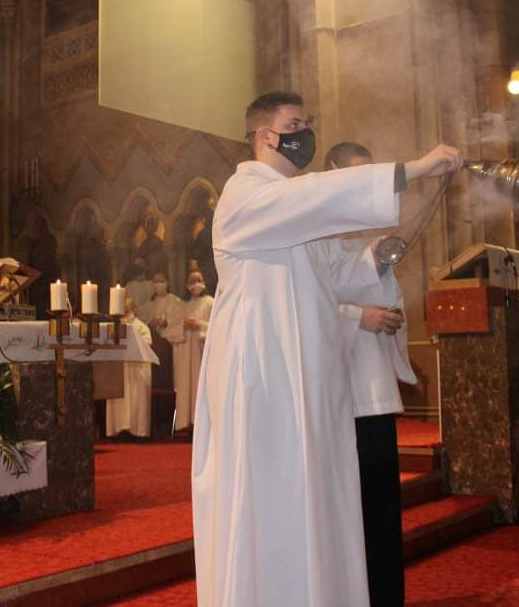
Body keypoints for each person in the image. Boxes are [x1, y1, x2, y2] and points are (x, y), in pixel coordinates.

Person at [191, 91, 461, 606]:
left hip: (312, 374)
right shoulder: (244, 194)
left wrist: (380, 254)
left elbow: (340, 274)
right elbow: (316, 197)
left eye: (307, 122)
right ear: (264, 135)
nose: (305, 133)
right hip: (263, 377)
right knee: (270, 493)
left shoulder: (301, 210)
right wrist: (414, 169)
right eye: (295, 124)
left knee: (317, 493)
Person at [326, 142, 419, 606]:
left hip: (374, 389)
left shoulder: (368, 233)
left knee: (380, 509)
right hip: (335, 394)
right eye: (357, 175)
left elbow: (384, 294)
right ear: (333, 174)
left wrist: (390, 311)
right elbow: (301, 306)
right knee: (347, 508)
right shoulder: (316, 231)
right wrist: (357, 317)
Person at [105, 297, 153, 439]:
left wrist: (131, 340)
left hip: (136, 369)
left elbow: (147, 343)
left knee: (136, 399)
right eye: (123, 312)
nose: (125, 316)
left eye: (127, 311)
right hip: (119, 368)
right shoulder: (114, 327)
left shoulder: (141, 327)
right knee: (119, 400)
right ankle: (118, 429)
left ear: (134, 310)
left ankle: (138, 431)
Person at [173, 268, 213, 432]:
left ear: (204, 283)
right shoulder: (182, 306)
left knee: (200, 385)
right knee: (186, 386)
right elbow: (171, 330)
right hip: (186, 352)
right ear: (186, 285)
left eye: (198, 280)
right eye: (192, 281)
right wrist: (182, 326)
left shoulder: (210, 302)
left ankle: (202, 424)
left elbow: (218, 327)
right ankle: (186, 423)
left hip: (202, 351)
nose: (195, 284)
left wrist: (200, 325)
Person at [141, 271, 184, 396]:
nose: (157, 284)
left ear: (167, 282)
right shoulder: (149, 304)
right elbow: (144, 321)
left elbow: (178, 321)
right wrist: (150, 322)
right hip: (154, 341)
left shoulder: (175, 301)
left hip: (168, 343)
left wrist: (166, 322)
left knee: (166, 372)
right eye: (155, 281)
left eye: (161, 281)